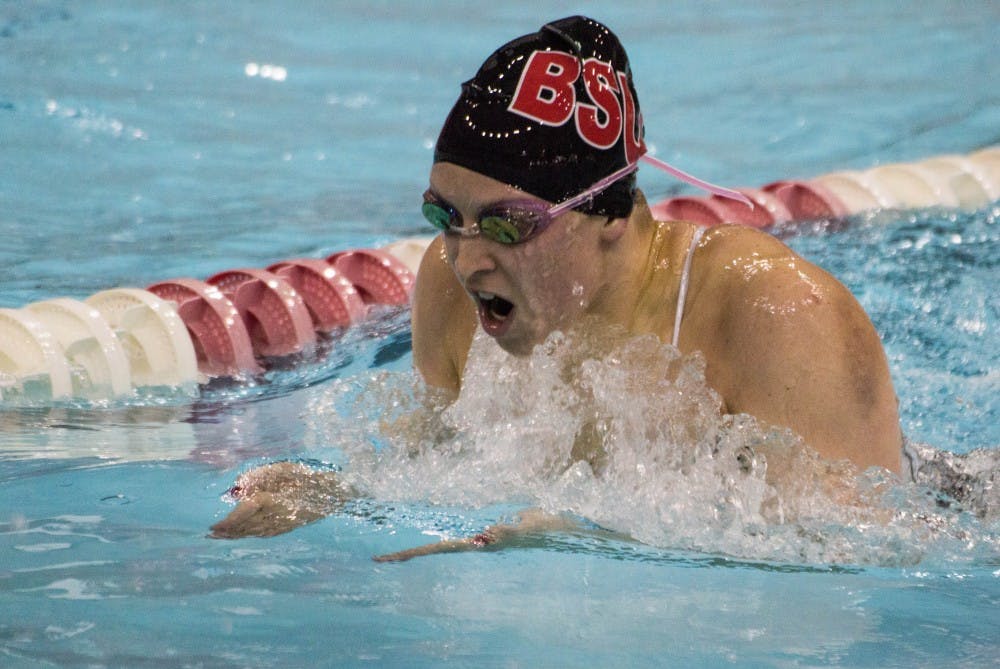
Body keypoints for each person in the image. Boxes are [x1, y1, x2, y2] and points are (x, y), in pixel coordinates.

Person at [212, 15, 905, 553]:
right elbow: (448, 462)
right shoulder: (451, 293)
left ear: (606, 214)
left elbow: (854, 558)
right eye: (445, 216)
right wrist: (340, 494)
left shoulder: (772, 313)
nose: (465, 258)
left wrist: (594, 540)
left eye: (507, 226)